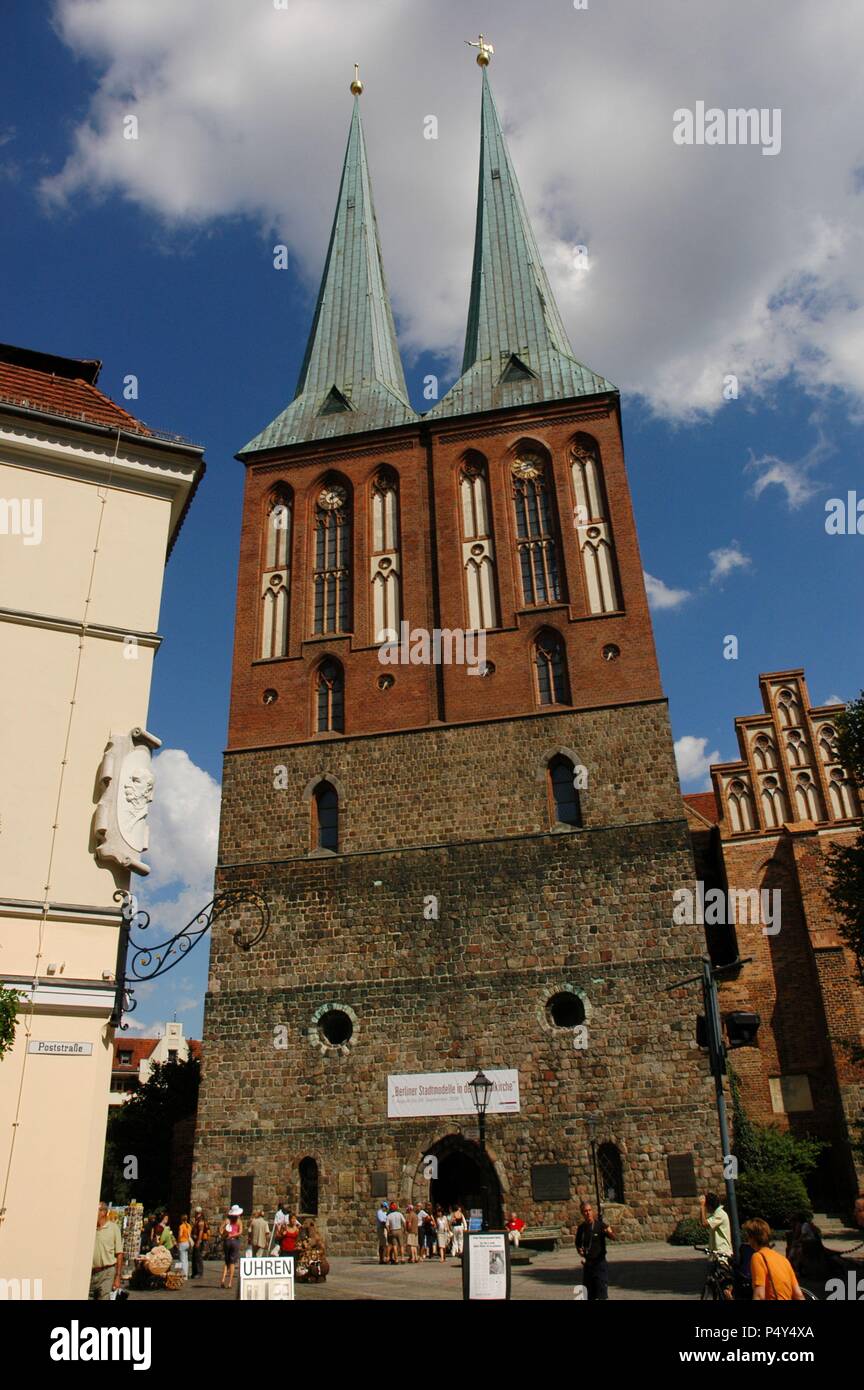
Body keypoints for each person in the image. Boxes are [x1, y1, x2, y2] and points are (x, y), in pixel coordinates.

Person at [744, 1218, 805, 1300]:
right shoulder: (783, 1259)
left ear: (753, 1238)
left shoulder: (758, 1257)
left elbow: (759, 1295)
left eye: (747, 1236)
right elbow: (799, 1295)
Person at [575, 1199, 614, 1301]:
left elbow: (613, 1237)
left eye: (589, 1210)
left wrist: (609, 1232)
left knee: (601, 1295)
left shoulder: (600, 1225)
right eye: (585, 1211)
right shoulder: (581, 1229)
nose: (588, 1213)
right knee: (588, 1295)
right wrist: (580, 1252)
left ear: (592, 1211)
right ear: (582, 1213)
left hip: (600, 1264)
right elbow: (578, 1245)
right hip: (588, 1266)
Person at [91, 1201, 124, 1300]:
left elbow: (119, 1254)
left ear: (103, 1212)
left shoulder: (114, 1228)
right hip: (90, 1273)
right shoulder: (90, 1228)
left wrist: (118, 1277)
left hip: (107, 1272)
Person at [699, 1192, 732, 1257]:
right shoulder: (716, 1214)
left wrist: (702, 1206)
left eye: (706, 1206)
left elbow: (704, 1223)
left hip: (722, 1254)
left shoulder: (719, 1214)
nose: (706, 1209)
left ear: (710, 1205)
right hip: (716, 1253)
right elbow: (702, 1223)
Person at [220, 1205, 243, 1290]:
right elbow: (240, 1232)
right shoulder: (239, 1221)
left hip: (227, 1241)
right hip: (235, 1241)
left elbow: (220, 1229)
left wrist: (225, 1234)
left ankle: (222, 1280)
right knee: (232, 1262)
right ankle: (230, 1282)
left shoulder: (227, 1220)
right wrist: (233, 1235)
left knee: (226, 1262)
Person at [190, 1208, 208, 1279]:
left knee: (198, 1257)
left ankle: (199, 1272)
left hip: (198, 1241)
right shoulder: (197, 1220)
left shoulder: (201, 1221)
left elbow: (201, 1231)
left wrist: (198, 1241)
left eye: (196, 1213)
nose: (195, 1214)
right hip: (195, 1240)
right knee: (194, 1257)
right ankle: (194, 1272)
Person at [376, 1200, 390, 1265]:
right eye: (386, 1208)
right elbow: (382, 1221)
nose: (386, 1209)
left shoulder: (385, 1213)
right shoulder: (379, 1212)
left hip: (385, 1229)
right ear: (383, 1207)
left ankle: (383, 1258)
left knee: (384, 1244)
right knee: (383, 1244)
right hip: (381, 1229)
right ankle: (382, 1259)